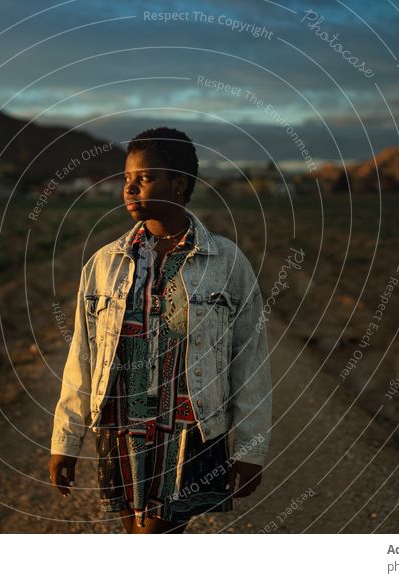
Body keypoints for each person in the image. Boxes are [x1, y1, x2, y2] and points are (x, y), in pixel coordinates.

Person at [49, 127, 272, 534]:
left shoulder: (226, 262)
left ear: (180, 184)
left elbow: (251, 359)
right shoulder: (104, 264)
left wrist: (251, 449)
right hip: (118, 426)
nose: (130, 188)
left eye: (145, 178)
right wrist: (65, 441)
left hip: (190, 431)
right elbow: (81, 355)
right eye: (126, 179)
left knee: (158, 534)